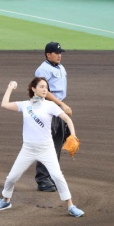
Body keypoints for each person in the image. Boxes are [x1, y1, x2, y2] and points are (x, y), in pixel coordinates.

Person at [0, 77, 84, 218]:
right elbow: (4, 104)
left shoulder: (50, 105)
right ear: (33, 89)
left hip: (46, 149)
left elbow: (67, 119)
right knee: (11, 178)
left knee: (58, 177)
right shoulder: (25, 105)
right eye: (41, 86)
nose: (45, 89)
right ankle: (6, 201)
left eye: (46, 87)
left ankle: (71, 206)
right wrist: (10, 87)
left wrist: (73, 136)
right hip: (28, 149)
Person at [33, 42, 73, 192]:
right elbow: (43, 91)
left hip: (57, 108)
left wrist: (61, 106)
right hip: (47, 109)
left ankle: (50, 175)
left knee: (56, 144)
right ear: (48, 54)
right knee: (46, 144)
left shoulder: (60, 67)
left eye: (60, 52)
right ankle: (42, 179)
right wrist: (60, 105)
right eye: (56, 53)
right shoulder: (42, 70)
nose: (59, 55)